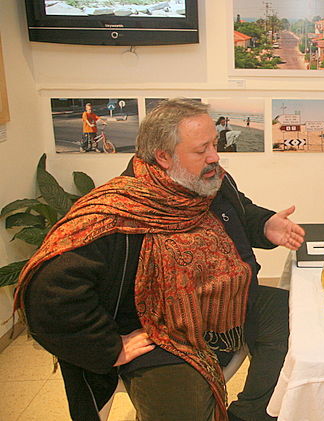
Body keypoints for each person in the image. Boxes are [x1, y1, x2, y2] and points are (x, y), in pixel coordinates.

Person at [16, 99, 305, 421]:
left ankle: (250, 415)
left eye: (214, 144)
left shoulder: (210, 179)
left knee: (303, 325)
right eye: (202, 149)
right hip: (155, 328)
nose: (215, 156)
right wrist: (107, 346)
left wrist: (264, 224)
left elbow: (240, 210)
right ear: (164, 156)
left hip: (228, 300)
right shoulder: (116, 211)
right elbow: (47, 294)